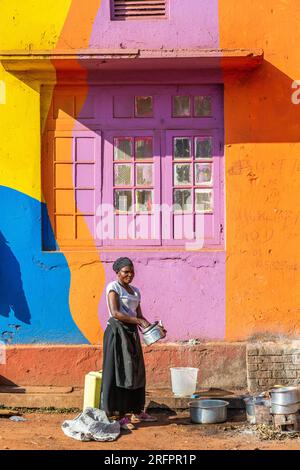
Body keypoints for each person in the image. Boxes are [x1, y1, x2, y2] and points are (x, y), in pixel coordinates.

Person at [101, 257, 165, 430]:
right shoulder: (113, 287)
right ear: (117, 273)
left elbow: (140, 317)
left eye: (132, 272)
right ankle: (119, 415)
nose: (129, 275)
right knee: (120, 372)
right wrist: (137, 321)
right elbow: (115, 313)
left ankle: (137, 410)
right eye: (125, 272)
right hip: (117, 333)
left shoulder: (135, 292)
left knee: (136, 371)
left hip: (131, 334)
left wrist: (155, 329)